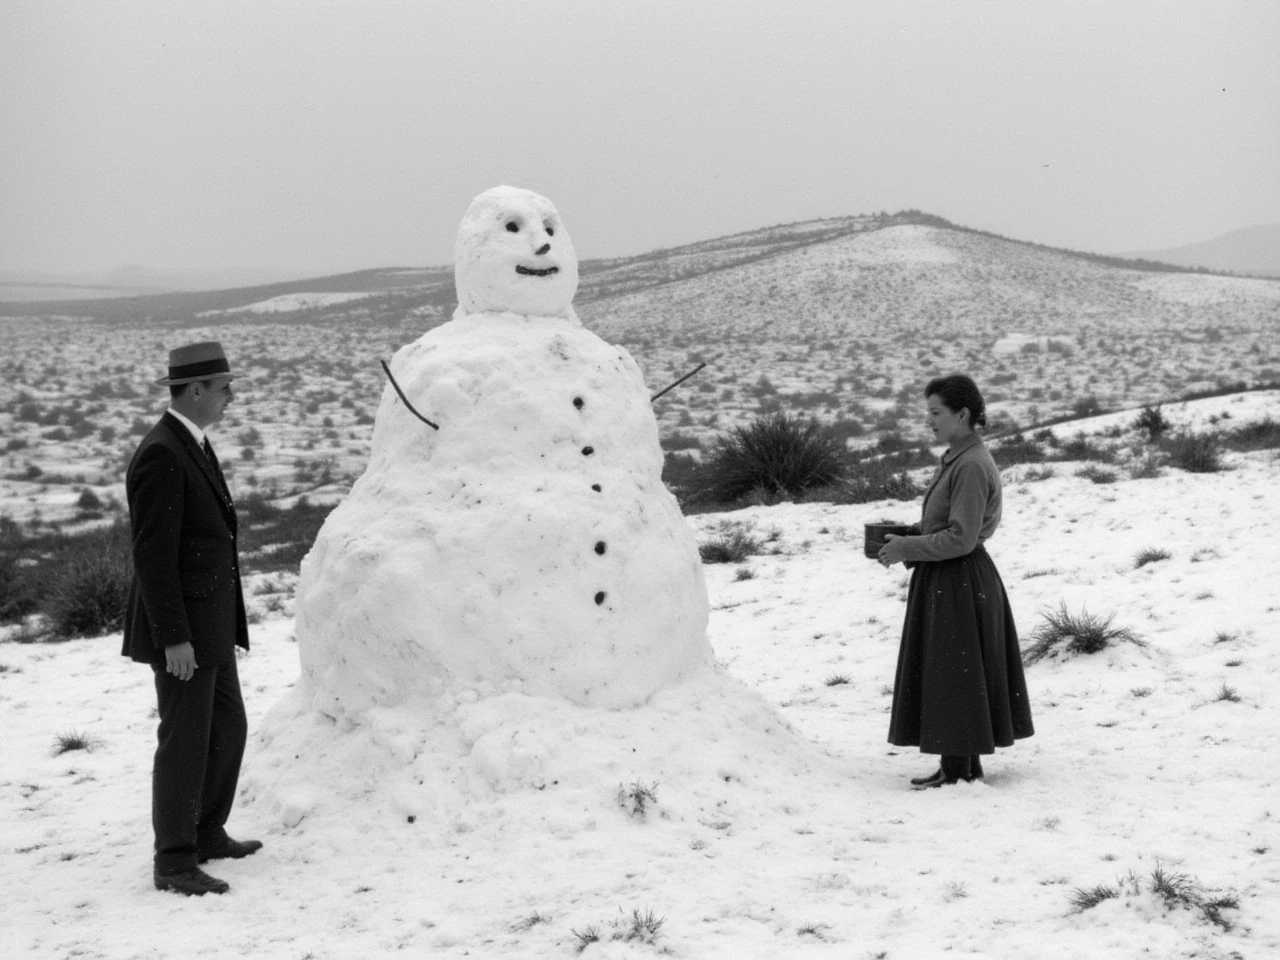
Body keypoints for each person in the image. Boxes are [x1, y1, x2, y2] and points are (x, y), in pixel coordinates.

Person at [122, 341, 261, 895]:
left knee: (228, 727)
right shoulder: (162, 453)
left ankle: (206, 831)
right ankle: (174, 860)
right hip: (184, 633)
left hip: (212, 628)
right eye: (226, 388)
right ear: (197, 389)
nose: (232, 397)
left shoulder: (191, 443)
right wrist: (174, 639)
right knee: (184, 740)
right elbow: (153, 558)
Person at [877, 374, 1034, 788]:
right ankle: (959, 765)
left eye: (936, 413)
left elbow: (961, 538)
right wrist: (906, 534)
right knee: (952, 671)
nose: (929, 421)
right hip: (951, 578)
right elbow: (947, 525)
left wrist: (907, 549)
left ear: (963, 415)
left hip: (959, 579)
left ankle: (959, 768)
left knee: (955, 672)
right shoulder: (959, 458)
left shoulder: (970, 465)